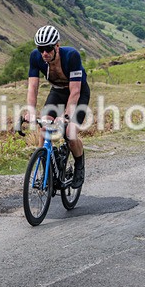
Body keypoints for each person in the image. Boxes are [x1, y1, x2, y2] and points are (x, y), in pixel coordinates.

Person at [23, 25, 90, 188]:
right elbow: (33, 87)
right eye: (41, 49)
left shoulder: (71, 56)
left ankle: (79, 166)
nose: (44, 53)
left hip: (78, 93)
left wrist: (66, 116)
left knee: (70, 132)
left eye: (48, 48)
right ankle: (46, 175)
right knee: (45, 127)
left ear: (57, 46)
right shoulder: (36, 57)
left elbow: (75, 91)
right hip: (58, 92)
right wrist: (30, 111)